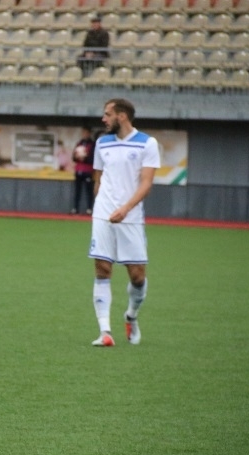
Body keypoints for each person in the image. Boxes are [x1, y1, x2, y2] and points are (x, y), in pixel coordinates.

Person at [89, 98, 159, 348]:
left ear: (122, 116)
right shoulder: (102, 142)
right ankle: (105, 332)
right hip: (103, 214)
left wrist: (125, 208)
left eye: (107, 114)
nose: (103, 119)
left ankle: (131, 315)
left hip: (130, 217)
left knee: (137, 277)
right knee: (102, 269)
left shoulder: (147, 143)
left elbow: (147, 184)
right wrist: (100, 207)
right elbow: (98, 179)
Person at [71, 126, 95, 215]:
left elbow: (93, 159)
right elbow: (73, 157)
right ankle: (75, 208)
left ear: (89, 133)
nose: (84, 134)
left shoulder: (92, 144)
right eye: (83, 133)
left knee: (89, 191)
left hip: (88, 171)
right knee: (77, 190)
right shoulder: (79, 143)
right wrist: (77, 157)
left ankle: (89, 209)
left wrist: (84, 158)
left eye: (86, 133)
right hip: (78, 171)